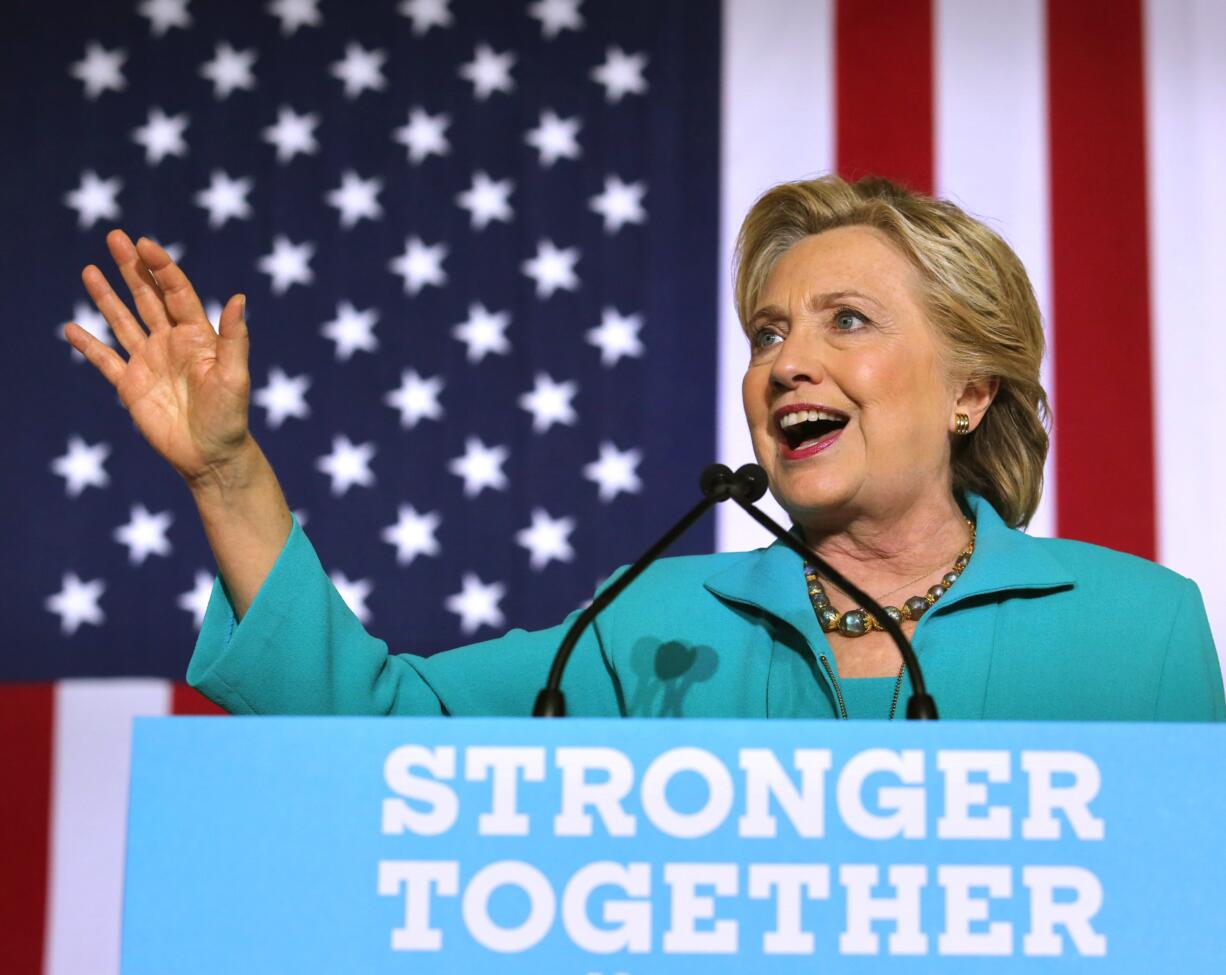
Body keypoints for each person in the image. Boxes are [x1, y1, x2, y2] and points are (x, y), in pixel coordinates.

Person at [63, 175, 1225, 721]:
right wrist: (225, 470)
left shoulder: (1136, 631)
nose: (783, 363)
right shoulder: (654, 631)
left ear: (971, 390)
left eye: (846, 322)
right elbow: (373, 727)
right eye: (767, 331)